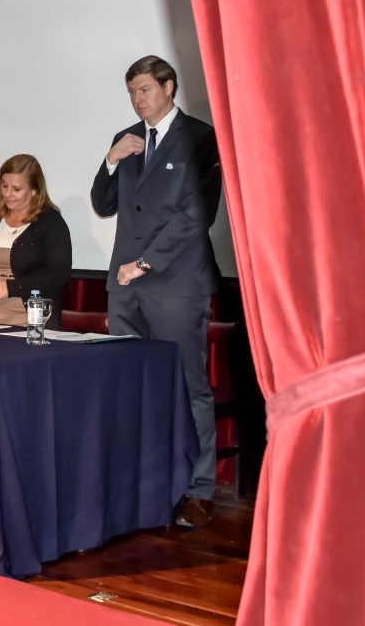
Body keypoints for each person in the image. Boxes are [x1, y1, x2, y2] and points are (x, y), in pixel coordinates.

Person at [91, 55, 222, 529]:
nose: (137, 100)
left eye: (145, 90)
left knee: (190, 386)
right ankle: (144, 488)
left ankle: (200, 489)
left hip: (175, 282)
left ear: (170, 87)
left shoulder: (201, 137)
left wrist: (146, 262)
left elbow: (197, 214)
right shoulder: (125, 139)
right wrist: (111, 161)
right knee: (132, 385)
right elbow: (102, 204)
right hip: (124, 287)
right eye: (132, 92)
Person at [0, 154, 72, 329]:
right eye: (4, 186)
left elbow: (58, 274)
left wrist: (11, 288)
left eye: (16, 189)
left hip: (34, 318)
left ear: (34, 190)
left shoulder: (51, 222)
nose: (7, 194)